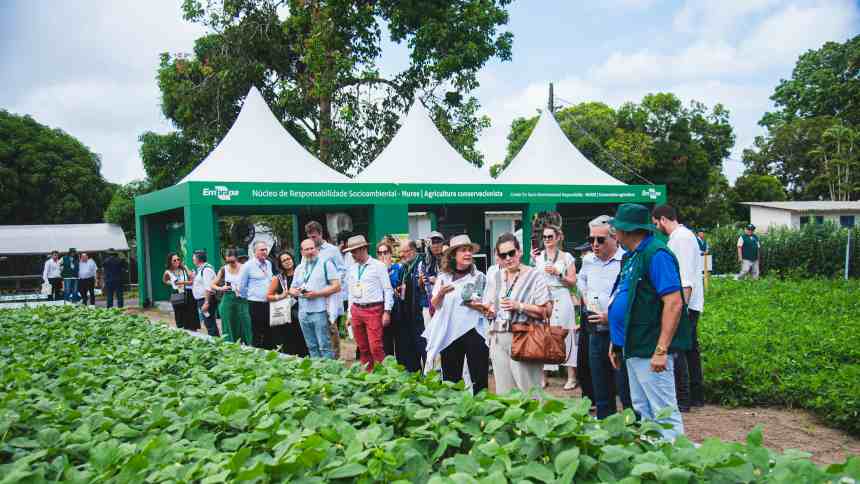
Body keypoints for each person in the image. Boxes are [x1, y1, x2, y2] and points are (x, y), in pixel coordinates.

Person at [607, 203, 690, 441]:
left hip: (651, 348)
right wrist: (617, 341)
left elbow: (674, 302)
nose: (615, 232)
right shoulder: (633, 256)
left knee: (663, 412)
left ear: (628, 230)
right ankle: (654, 464)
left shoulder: (656, 254)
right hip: (633, 346)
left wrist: (661, 349)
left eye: (617, 228)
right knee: (643, 410)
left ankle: (676, 465)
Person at [482, 233, 553, 395]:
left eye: (511, 253)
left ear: (519, 252)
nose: (508, 258)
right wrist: (487, 309)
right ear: (498, 257)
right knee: (504, 394)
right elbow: (490, 305)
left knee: (529, 392)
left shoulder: (535, 276)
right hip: (498, 339)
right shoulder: (496, 276)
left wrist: (519, 306)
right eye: (503, 255)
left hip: (525, 339)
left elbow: (546, 311)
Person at [578, 215, 633, 419]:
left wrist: (610, 316)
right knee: (600, 386)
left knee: (624, 387)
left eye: (600, 240)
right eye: (591, 239)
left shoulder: (625, 260)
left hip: (618, 333)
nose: (594, 244)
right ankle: (604, 430)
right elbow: (581, 281)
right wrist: (585, 297)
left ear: (614, 239)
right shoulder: (589, 261)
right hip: (595, 331)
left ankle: (631, 431)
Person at [652, 205, 706, 412]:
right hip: (690, 303)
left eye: (657, 224)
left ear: (664, 219)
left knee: (679, 350)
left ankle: (683, 400)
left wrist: (679, 308)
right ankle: (695, 396)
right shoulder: (684, 236)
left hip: (686, 303)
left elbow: (685, 278)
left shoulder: (681, 238)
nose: (658, 228)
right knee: (690, 349)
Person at [424, 235, 489, 394]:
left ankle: (482, 413)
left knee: (479, 377)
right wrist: (440, 294)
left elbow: (486, 307)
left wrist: (475, 305)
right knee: (451, 379)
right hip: (450, 332)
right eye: (463, 250)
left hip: (474, 331)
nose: (468, 254)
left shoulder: (479, 277)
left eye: (469, 250)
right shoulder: (444, 277)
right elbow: (435, 305)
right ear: (453, 254)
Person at [533, 224, 578, 390]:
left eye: (550, 237)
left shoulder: (567, 257)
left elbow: (573, 282)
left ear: (558, 237)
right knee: (545, 334)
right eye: (544, 237)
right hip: (546, 297)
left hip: (562, 295)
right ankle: (543, 376)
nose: (546, 240)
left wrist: (558, 274)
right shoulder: (538, 258)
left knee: (567, 333)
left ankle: (571, 376)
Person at [343, 235, 394, 371]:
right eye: (351, 251)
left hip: (374, 309)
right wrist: (349, 314)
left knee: (375, 346)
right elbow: (351, 292)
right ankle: (368, 375)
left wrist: (387, 312)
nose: (352, 254)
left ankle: (385, 375)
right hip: (356, 309)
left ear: (363, 249)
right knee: (363, 347)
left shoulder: (378, 266)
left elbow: (388, 290)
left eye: (354, 251)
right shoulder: (352, 268)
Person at [290, 238, 341, 358]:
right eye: (306, 249)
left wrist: (317, 294)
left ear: (317, 249)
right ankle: (317, 373)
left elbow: (337, 286)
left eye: (312, 248)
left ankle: (329, 374)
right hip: (303, 312)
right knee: (311, 346)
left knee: (325, 345)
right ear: (302, 252)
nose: (310, 251)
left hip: (320, 311)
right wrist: (297, 292)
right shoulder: (299, 268)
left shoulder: (326, 264)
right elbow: (291, 289)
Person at [306, 221, 346, 358]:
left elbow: (342, 269)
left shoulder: (332, 250)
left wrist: (331, 282)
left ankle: (335, 361)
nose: (312, 240)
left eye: (314, 237)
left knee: (331, 330)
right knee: (318, 333)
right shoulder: (308, 251)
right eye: (310, 237)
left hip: (330, 299)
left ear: (321, 234)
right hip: (313, 300)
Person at [393, 239, 428, 372]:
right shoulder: (404, 268)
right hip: (407, 316)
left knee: (423, 349)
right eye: (400, 253)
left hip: (420, 316)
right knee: (410, 352)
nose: (402, 255)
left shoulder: (421, 265)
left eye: (404, 252)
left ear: (413, 251)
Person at [267, 250, 310, 356]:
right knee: (289, 343)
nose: (287, 262)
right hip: (286, 314)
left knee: (304, 341)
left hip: (303, 310)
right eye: (284, 260)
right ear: (280, 264)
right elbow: (268, 296)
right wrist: (281, 295)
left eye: (289, 259)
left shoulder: (302, 272)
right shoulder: (278, 278)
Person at [211, 249, 253, 345]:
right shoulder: (223, 269)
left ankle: (250, 346)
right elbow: (212, 284)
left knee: (246, 323)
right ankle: (230, 347)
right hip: (228, 299)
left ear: (237, 259)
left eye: (232, 261)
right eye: (228, 261)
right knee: (228, 324)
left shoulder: (244, 268)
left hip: (242, 299)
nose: (230, 263)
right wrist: (221, 288)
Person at [239, 241, 275, 349]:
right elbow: (242, 286)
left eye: (265, 249)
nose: (265, 252)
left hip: (269, 302)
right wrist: (250, 297)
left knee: (270, 331)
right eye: (262, 250)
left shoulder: (269, 264)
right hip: (255, 303)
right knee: (257, 332)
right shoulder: (247, 266)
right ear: (255, 252)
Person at [377, 241, 402, 357]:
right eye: (380, 253)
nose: (383, 255)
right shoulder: (375, 270)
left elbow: (396, 285)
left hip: (397, 309)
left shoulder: (397, 268)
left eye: (385, 252)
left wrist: (386, 269)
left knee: (400, 342)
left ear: (390, 254)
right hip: (382, 309)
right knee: (386, 343)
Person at [162, 252, 199, 331]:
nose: (177, 261)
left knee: (191, 313)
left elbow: (191, 277)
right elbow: (165, 280)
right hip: (177, 293)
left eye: (178, 259)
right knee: (180, 314)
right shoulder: (168, 271)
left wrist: (186, 269)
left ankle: (193, 329)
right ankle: (183, 331)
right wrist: (172, 283)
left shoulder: (183, 268)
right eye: (174, 260)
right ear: (170, 262)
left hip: (187, 292)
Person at [191, 250, 219, 337]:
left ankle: (216, 343)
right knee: (208, 323)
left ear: (198, 259)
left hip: (206, 300)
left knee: (210, 323)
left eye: (194, 258)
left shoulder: (206, 270)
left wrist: (206, 303)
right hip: (202, 300)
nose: (193, 260)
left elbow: (208, 288)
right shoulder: (201, 269)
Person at [421, 231, 445, 319]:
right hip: (427, 302)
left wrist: (437, 281)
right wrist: (421, 281)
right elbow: (419, 286)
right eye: (433, 243)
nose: (436, 246)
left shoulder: (448, 260)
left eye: (438, 242)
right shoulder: (424, 261)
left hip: (444, 302)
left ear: (443, 244)